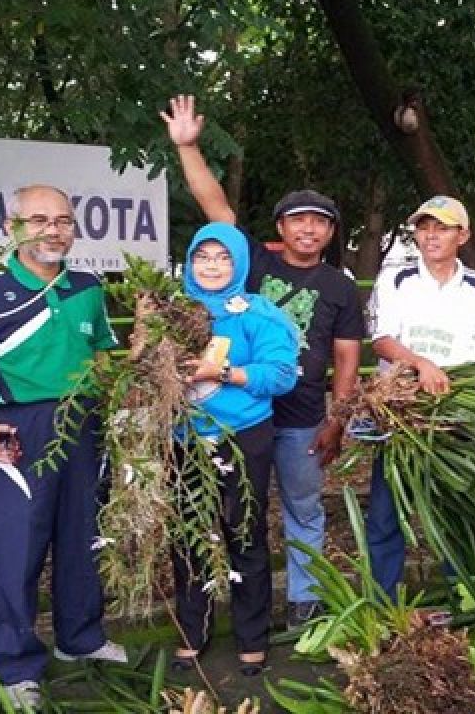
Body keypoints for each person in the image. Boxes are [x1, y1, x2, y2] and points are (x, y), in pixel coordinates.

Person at [161, 95, 365, 628]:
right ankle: (221, 611)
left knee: (303, 508)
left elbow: (347, 357)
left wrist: (336, 417)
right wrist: (188, 148)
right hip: (237, 412)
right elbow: (217, 214)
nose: (308, 229)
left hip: (300, 416)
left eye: (320, 223)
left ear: (331, 232)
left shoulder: (340, 286)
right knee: (234, 516)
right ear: (281, 225)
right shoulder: (253, 266)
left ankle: (304, 601)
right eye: (298, 220)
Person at [0, 185, 127, 710]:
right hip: (14, 427)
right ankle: (18, 664)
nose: (54, 230)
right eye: (39, 220)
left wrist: (123, 405)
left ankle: (80, 637)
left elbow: (103, 353)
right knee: (15, 545)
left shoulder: (86, 284)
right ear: (11, 228)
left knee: (83, 533)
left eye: (63, 220)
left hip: (83, 423)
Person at [168, 223, 298, 676]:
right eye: (202, 256)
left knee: (244, 531)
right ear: (189, 262)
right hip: (183, 438)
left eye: (223, 257)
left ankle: (251, 635)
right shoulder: (169, 311)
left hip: (243, 436)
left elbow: (283, 374)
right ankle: (193, 630)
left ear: (239, 263)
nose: (212, 266)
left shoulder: (257, 313)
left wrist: (220, 374)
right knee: (188, 535)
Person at [365, 195, 475, 598]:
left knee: (455, 511)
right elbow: (383, 339)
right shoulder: (395, 278)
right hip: (401, 410)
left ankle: (462, 600)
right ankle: (383, 603)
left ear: (463, 235)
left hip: (457, 411)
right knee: (386, 514)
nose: (431, 235)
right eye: (424, 227)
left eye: (441, 228)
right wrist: (421, 366)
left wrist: (451, 387)